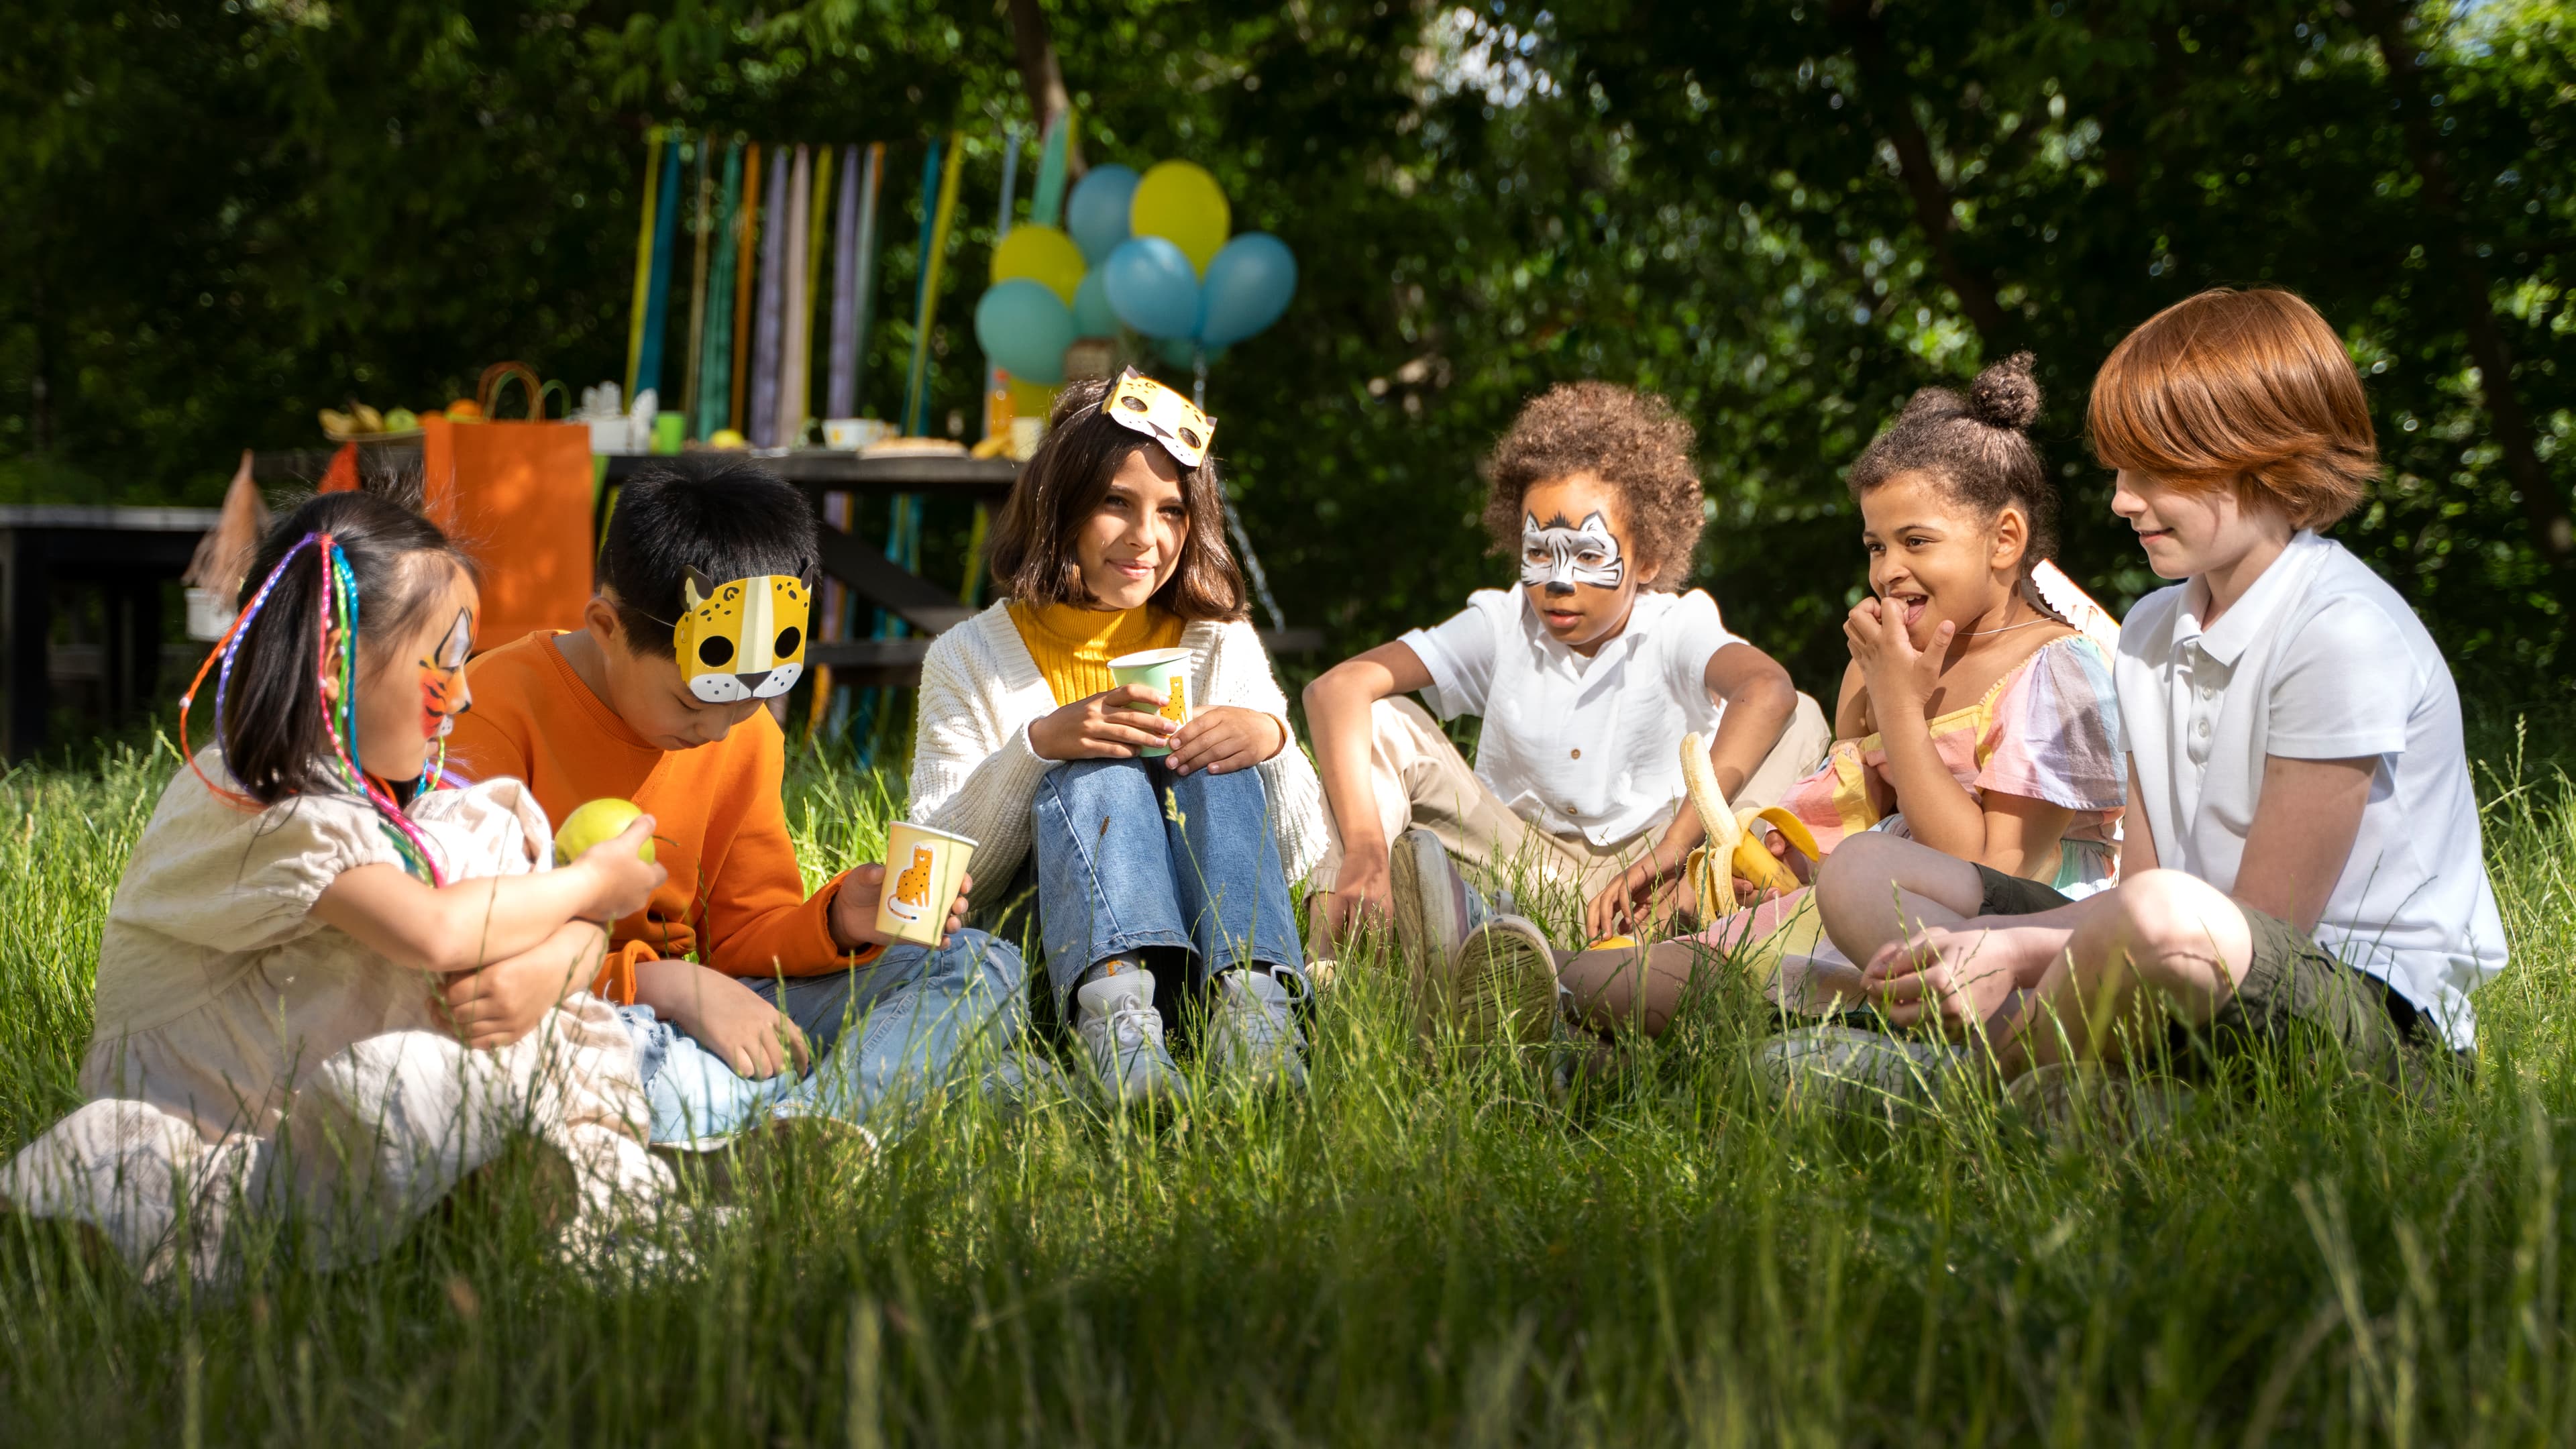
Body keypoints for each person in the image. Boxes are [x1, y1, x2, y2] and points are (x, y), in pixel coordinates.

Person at [1793, 288, 2504, 1108]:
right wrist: (1995, 944)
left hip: (2367, 1021)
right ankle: (2081, 1083)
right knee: (1860, 870)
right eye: (2120, 469)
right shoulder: (2152, 627)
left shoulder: (2340, 631)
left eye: (2155, 470)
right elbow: (2138, 889)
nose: (2122, 499)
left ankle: (1967, 1093)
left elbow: (2260, 928)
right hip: (2167, 964)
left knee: (2169, 920)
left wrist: (2015, 951)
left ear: (2264, 455)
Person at [1, 492, 669, 1285]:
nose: (464, 695)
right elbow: (438, 933)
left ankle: (516, 1187)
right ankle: (468, 1198)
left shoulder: (380, 807)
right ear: (332, 663)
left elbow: (492, 917)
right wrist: (591, 885)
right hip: (212, 1130)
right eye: (445, 661)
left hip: (306, 1104)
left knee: (485, 830)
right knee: (398, 1101)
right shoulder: (256, 803)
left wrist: (556, 956)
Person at [443, 460, 1026, 1144]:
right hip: (573, 1016)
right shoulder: (494, 709)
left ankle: (814, 1123)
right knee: (679, 1081)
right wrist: (669, 987)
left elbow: (746, 939)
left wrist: (838, 921)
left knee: (984, 964)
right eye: (693, 702)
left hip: (713, 1007)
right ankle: (884, 1082)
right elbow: (479, 956)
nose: (720, 728)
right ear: (606, 627)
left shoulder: (745, 732)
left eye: (752, 701)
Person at [1557, 354, 2126, 1041]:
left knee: (1667, 990)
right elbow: (1859, 820)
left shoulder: (2053, 668)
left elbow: (1994, 870)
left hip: (1992, 935)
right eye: (1875, 545)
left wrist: (1898, 708)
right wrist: (1787, 863)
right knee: (1616, 977)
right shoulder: (1891, 660)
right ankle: (1539, 981)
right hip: (1859, 902)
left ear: (2005, 540)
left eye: (1916, 541)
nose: (1888, 571)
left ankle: (1585, 1003)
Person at [1301, 381, 1829, 1040]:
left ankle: (1656, 926)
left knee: (1801, 715)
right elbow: (1336, 689)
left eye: (1587, 555)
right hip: (1517, 862)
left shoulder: (1675, 626)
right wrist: (1366, 852)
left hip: (1654, 881)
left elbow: (1768, 691)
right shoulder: (1503, 622)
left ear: (1651, 558)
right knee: (1377, 721)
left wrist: (1673, 850)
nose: (1557, 580)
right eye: (1539, 553)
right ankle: (1330, 963)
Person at [908, 370, 1324, 1102]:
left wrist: (1272, 744)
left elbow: (1300, 858)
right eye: (1116, 504)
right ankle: (1117, 1034)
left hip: (1208, 957)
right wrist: (1036, 748)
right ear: (1061, 508)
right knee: (1095, 770)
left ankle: (1256, 1021)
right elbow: (931, 878)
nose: (1146, 539)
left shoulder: (1217, 642)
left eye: (1171, 512)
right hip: (1054, 957)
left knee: (1215, 762)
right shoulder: (967, 659)